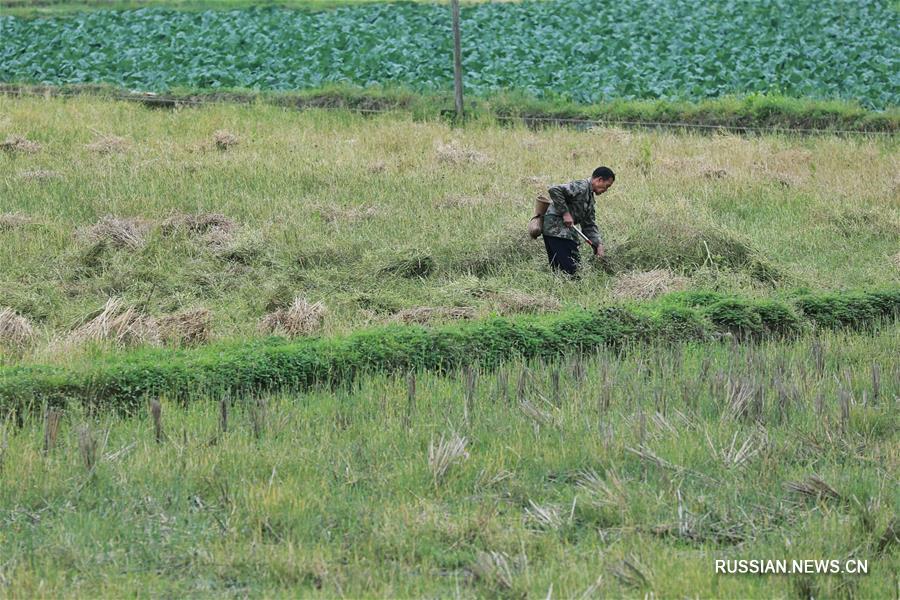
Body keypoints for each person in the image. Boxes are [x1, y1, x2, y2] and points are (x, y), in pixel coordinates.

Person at [541, 166, 615, 276]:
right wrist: (565, 213)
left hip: (564, 233)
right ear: (599, 180)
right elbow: (555, 190)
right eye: (607, 186)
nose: (606, 190)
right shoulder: (582, 186)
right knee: (572, 271)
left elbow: (589, 225)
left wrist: (598, 244)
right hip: (557, 231)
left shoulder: (590, 199)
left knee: (561, 272)